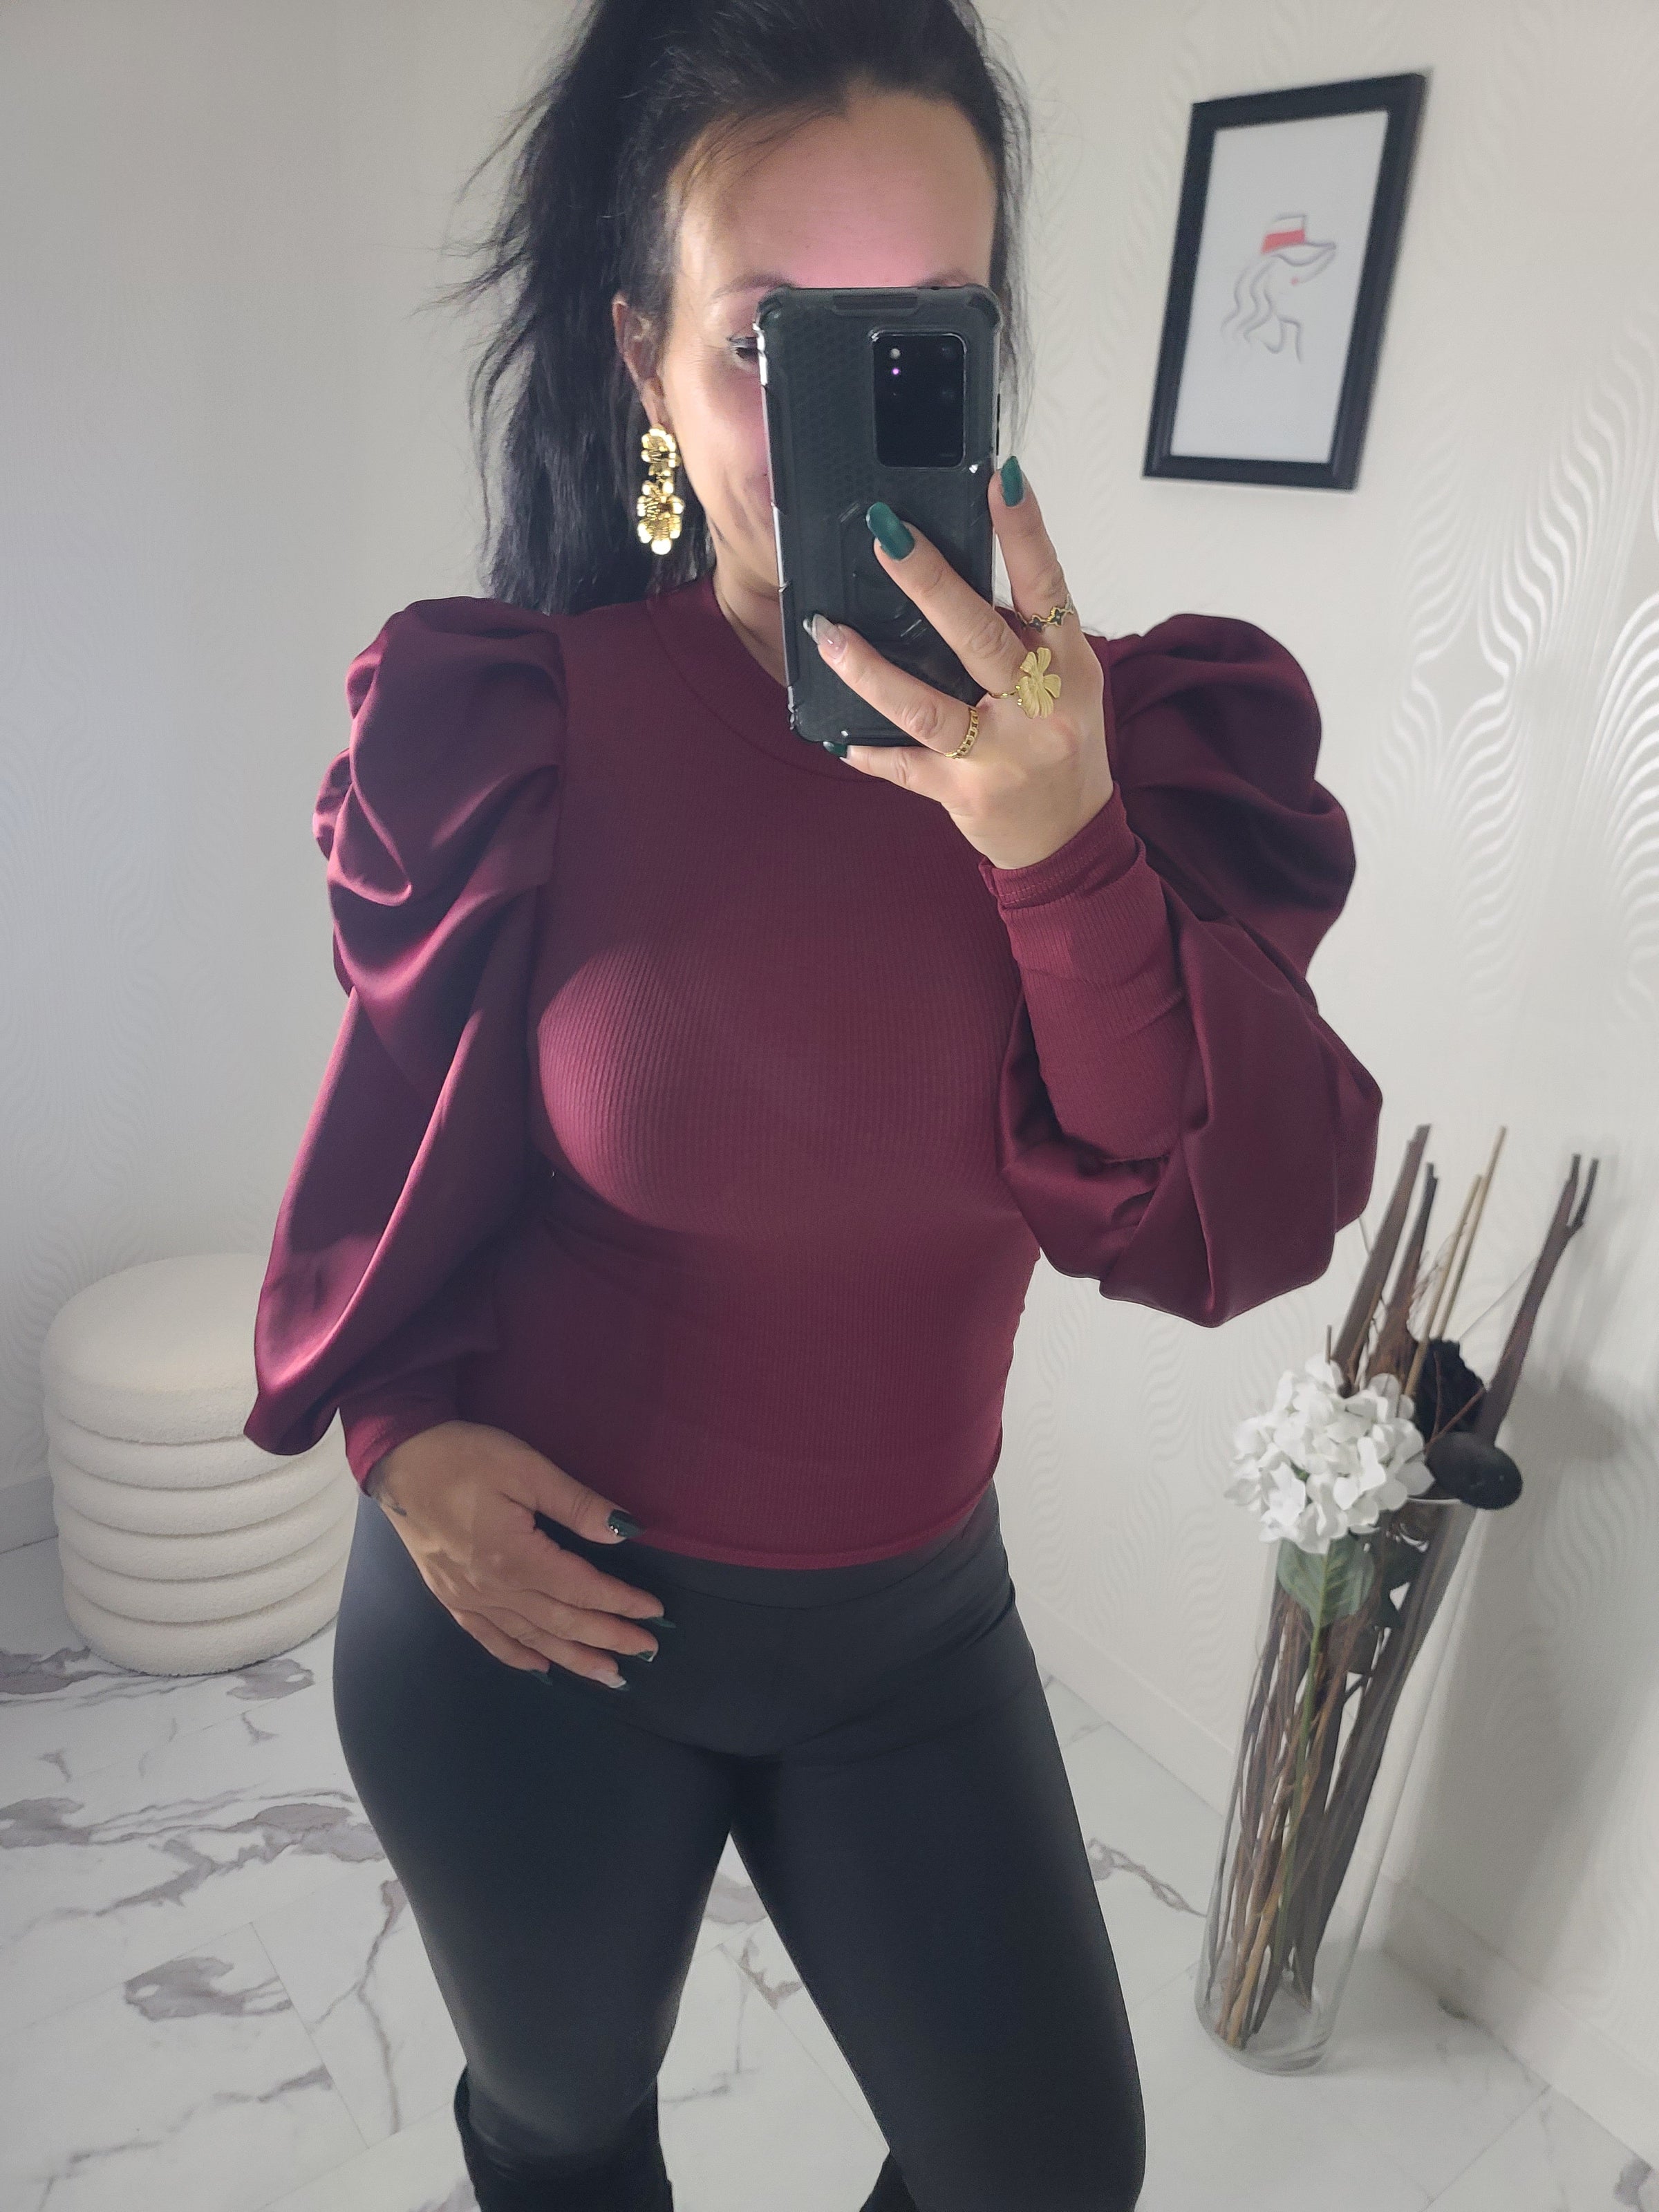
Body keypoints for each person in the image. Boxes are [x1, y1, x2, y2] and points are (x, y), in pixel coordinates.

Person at [244, 1, 1384, 2205]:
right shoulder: (518, 726)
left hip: (911, 1629)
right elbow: (391, 1157)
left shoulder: (1133, 754)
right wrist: (398, 1443)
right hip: (538, 1626)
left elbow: (1199, 1222)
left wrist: (1060, 851)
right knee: (566, 2133)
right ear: (642, 362)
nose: (840, 400)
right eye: (773, 334)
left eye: (922, 323)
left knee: (1045, 2169)